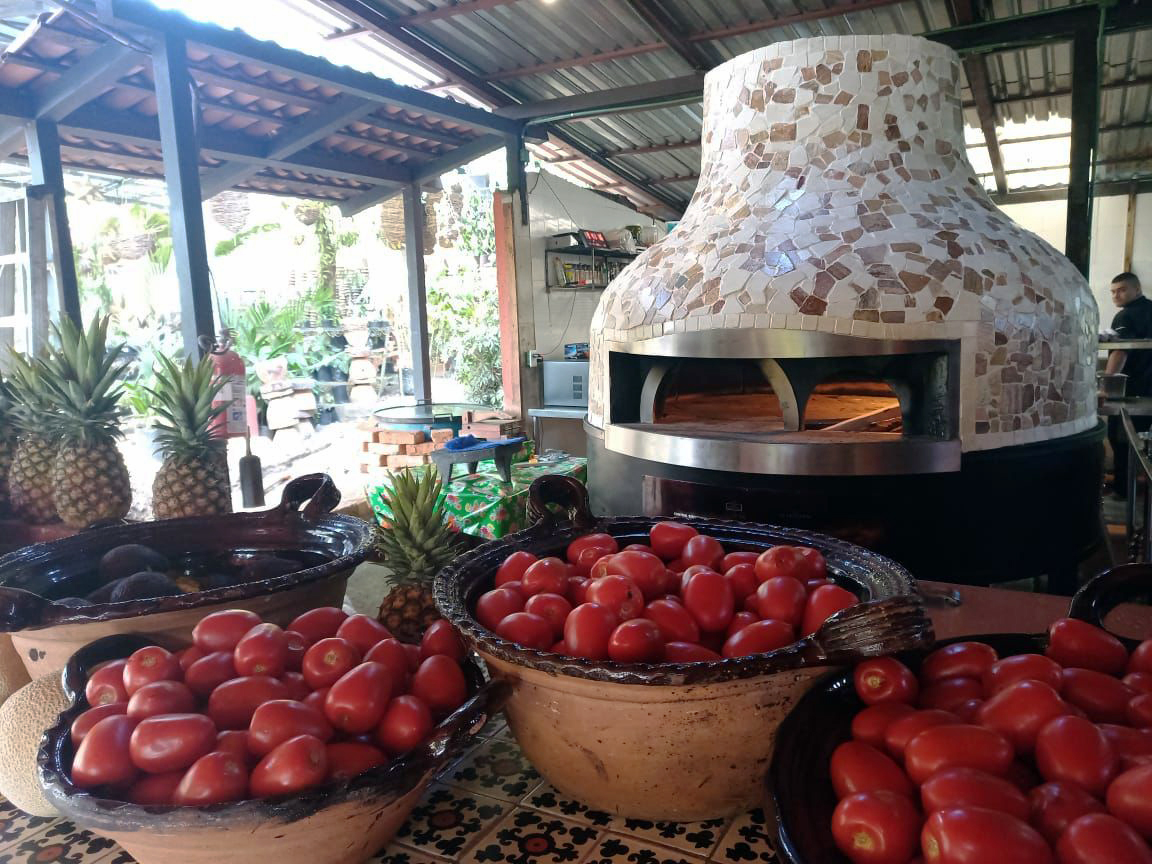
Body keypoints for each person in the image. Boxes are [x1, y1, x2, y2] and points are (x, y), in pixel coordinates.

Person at [1105, 272, 1152, 496]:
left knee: (1121, 439)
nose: (1116, 295)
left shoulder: (1125, 316)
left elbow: (1121, 351)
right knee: (1141, 442)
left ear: (1137, 289)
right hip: (1149, 391)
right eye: (1113, 292)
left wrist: (1105, 385)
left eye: (1121, 290)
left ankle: (1124, 490)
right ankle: (1138, 486)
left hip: (1131, 390)